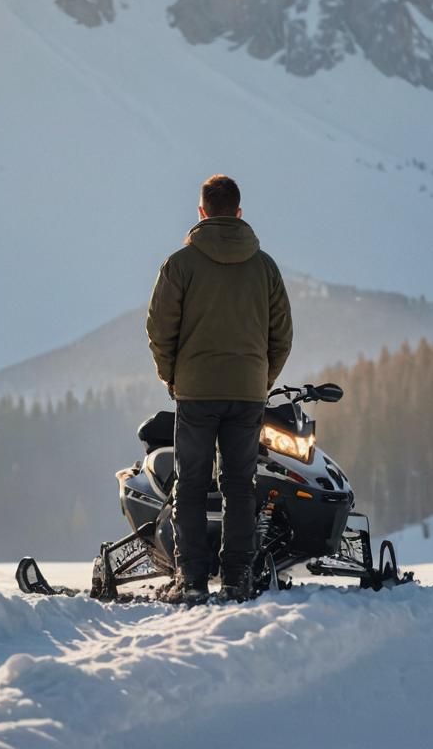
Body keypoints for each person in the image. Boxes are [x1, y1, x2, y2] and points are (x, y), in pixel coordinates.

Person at [146, 175, 293, 604]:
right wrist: (261, 379)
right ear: (239, 213)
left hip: (195, 391)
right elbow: (281, 335)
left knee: (190, 485)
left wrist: (171, 376)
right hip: (247, 393)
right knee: (239, 486)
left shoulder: (180, 264)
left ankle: (190, 579)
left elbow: (158, 330)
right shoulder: (265, 267)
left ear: (202, 212)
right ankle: (237, 579)